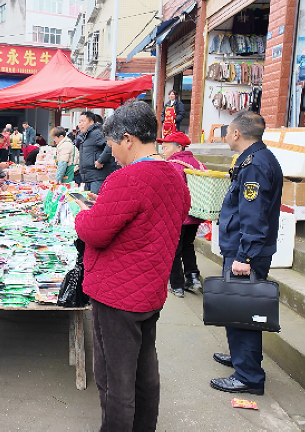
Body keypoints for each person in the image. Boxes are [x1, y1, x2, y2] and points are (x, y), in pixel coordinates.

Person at [73, 102, 190, 431]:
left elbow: (94, 231)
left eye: (112, 145)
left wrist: (81, 215)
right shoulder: (174, 174)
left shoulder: (127, 179)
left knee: (115, 379)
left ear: (127, 139)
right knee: (144, 371)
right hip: (149, 289)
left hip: (117, 294)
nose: (111, 153)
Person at [211, 111, 282, 396]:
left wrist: (245, 257)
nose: (226, 136)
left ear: (237, 133)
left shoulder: (255, 165)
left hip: (246, 251)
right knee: (237, 309)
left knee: (244, 311)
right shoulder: (255, 159)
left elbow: (254, 216)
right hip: (243, 247)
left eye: (227, 132)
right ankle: (242, 359)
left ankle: (248, 376)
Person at [157, 131, 205, 298]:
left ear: (178, 148)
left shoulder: (172, 166)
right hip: (195, 215)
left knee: (174, 249)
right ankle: (193, 278)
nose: (163, 151)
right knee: (188, 245)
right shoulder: (198, 163)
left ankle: (177, 285)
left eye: (166, 147)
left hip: (178, 216)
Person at [78, 111, 117, 194]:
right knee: (88, 200)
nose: (80, 124)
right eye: (79, 122)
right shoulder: (85, 136)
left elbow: (110, 145)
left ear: (91, 122)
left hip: (97, 177)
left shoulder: (97, 133)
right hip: (88, 178)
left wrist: (101, 160)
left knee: (95, 200)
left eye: (83, 121)